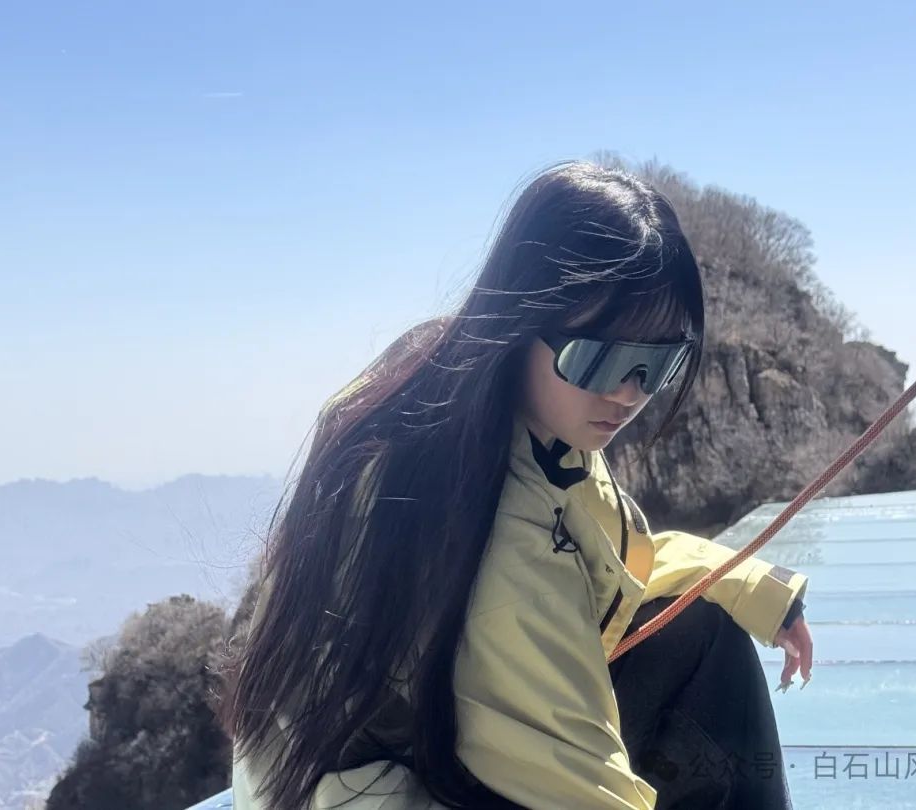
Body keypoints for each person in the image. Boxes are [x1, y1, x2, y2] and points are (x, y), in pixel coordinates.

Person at [221, 160, 813, 810]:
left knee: (705, 629)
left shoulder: (497, 404)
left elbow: (609, 562)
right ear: (521, 319)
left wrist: (754, 587)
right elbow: (580, 787)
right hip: (364, 789)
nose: (628, 393)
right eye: (600, 357)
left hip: (420, 737)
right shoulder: (488, 528)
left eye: (658, 362)